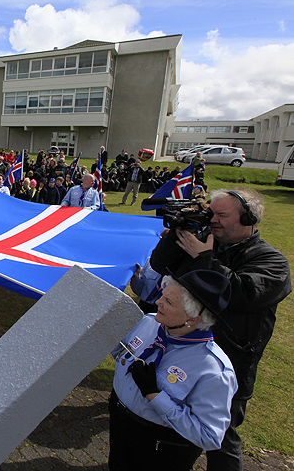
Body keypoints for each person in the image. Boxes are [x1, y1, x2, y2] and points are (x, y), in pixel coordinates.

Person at [150, 189, 291, 471]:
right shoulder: (203, 243)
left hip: (229, 365)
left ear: (248, 219)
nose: (213, 220)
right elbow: (160, 264)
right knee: (175, 436)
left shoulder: (273, 262)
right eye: (211, 212)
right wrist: (179, 230)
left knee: (221, 440)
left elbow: (241, 294)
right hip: (183, 357)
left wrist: (206, 257)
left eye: (222, 215)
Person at [109, 270, 237, 471]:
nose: (158, 302)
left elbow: (209, 436)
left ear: (194, 318)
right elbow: (122, 351)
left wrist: (155, 396)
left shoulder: (213, 370)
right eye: (163, 295)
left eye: (169, 302)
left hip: (157, 444)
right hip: (120, 420)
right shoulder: (149, 322)